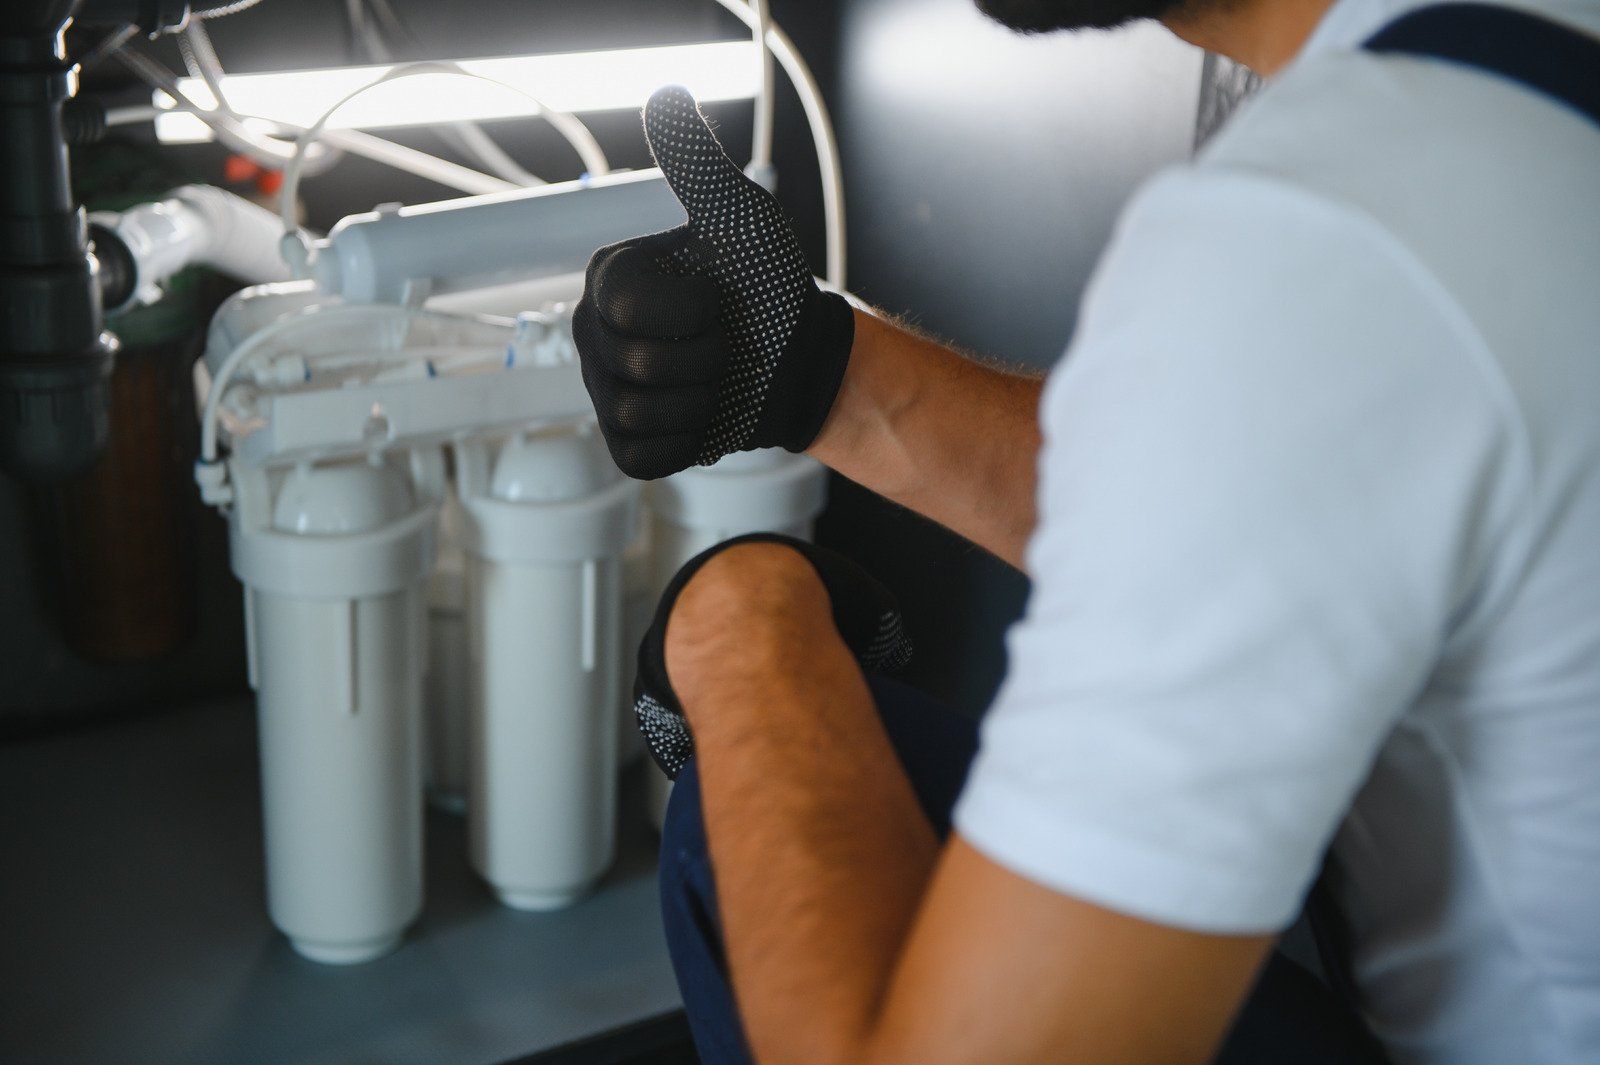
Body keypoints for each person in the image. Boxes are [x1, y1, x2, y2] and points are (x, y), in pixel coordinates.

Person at [570, 1, 1600, 1062]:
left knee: (744, 801)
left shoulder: (1332, 225)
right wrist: (824, 372)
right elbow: (1262, 505)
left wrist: (741, 626)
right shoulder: (1499, 113)